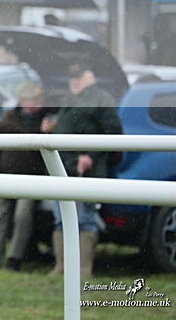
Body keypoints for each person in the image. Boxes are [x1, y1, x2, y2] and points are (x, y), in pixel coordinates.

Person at [41, 60, 123, 278]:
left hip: (87, 171)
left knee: (85, 219)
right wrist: (52, 128)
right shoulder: (71, 99)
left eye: (79, 76)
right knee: (61, 218)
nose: (74, 81)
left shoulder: (101, 98)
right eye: (71, 77)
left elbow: (113, 133)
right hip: (63, 170)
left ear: (90, 76)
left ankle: (83, 271)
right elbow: (69, 125)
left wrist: (91, 156)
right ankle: (61, 268)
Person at [0, 81, 49, 272]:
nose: (33, 104)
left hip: (31, 180)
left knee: (22, 217)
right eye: (29, 99)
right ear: (21, 100)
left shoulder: (48, 120)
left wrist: (48, 132)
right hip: (5, 177)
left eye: (36, 99)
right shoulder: (8, 120)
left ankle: (15, 259)